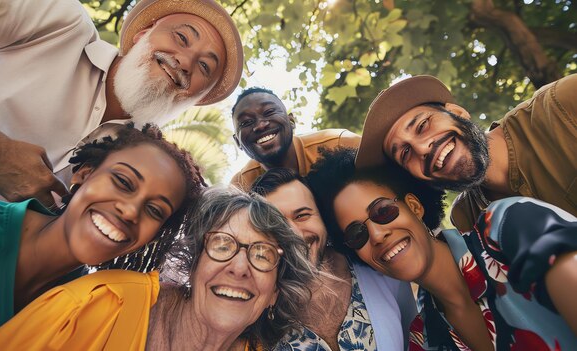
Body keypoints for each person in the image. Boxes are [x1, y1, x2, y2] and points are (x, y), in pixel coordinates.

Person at [0, 0, 243, 206]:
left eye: (205, 67)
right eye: (181, 37)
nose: (185, 61)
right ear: (143, 33)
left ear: (197, 98)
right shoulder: (60, 22)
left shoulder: (139, 172)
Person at [0, 123, 205, 350]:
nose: (130, 211)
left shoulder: (87, 306)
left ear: (153, 237)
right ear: (84, 174)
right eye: (123, 182)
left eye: (154, 210)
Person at [0, 187, 317, 351]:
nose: (239, 268)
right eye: (222, 245)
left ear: (274, 293)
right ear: (193, 266)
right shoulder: (100, 304)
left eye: (262, 254)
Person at [308, 147, 577, 350]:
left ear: (414, 206)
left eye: (382, 211)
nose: (377, 235)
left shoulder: (508, 225)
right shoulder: (422, 340)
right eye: (357, 234)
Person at [354, 75, 577, 232]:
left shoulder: (563, 105)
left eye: (422, 125)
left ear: (458, 112)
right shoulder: (466, 221)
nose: (422, 149)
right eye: (405, 154)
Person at [251, 168, 417, 351]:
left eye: (302, 216)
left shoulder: (377, 268)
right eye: (275, 224)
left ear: (323, 218)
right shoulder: (258, 310)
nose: (293, 234)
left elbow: (415, 336)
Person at [230, 87, 360, 191]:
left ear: (291, 121)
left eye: (269, 112)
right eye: (246, 122)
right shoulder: (241, 189)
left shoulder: (339, 144)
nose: (260, 125)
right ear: (237, 142)